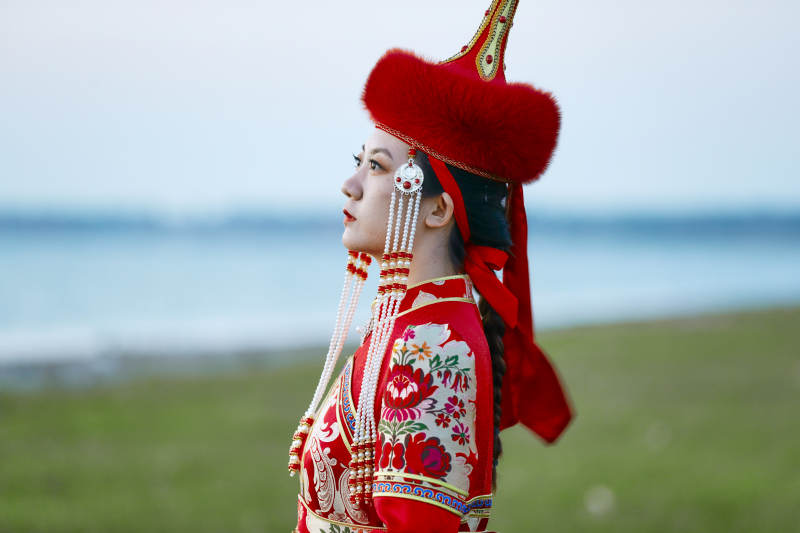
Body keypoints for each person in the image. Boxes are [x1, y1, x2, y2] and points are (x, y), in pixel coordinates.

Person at [287, 1, 574, 531]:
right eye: (359, 163)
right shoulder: (413, 326)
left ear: (439, 209)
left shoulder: (433, 348)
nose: (350, 185)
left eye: (376, 167)